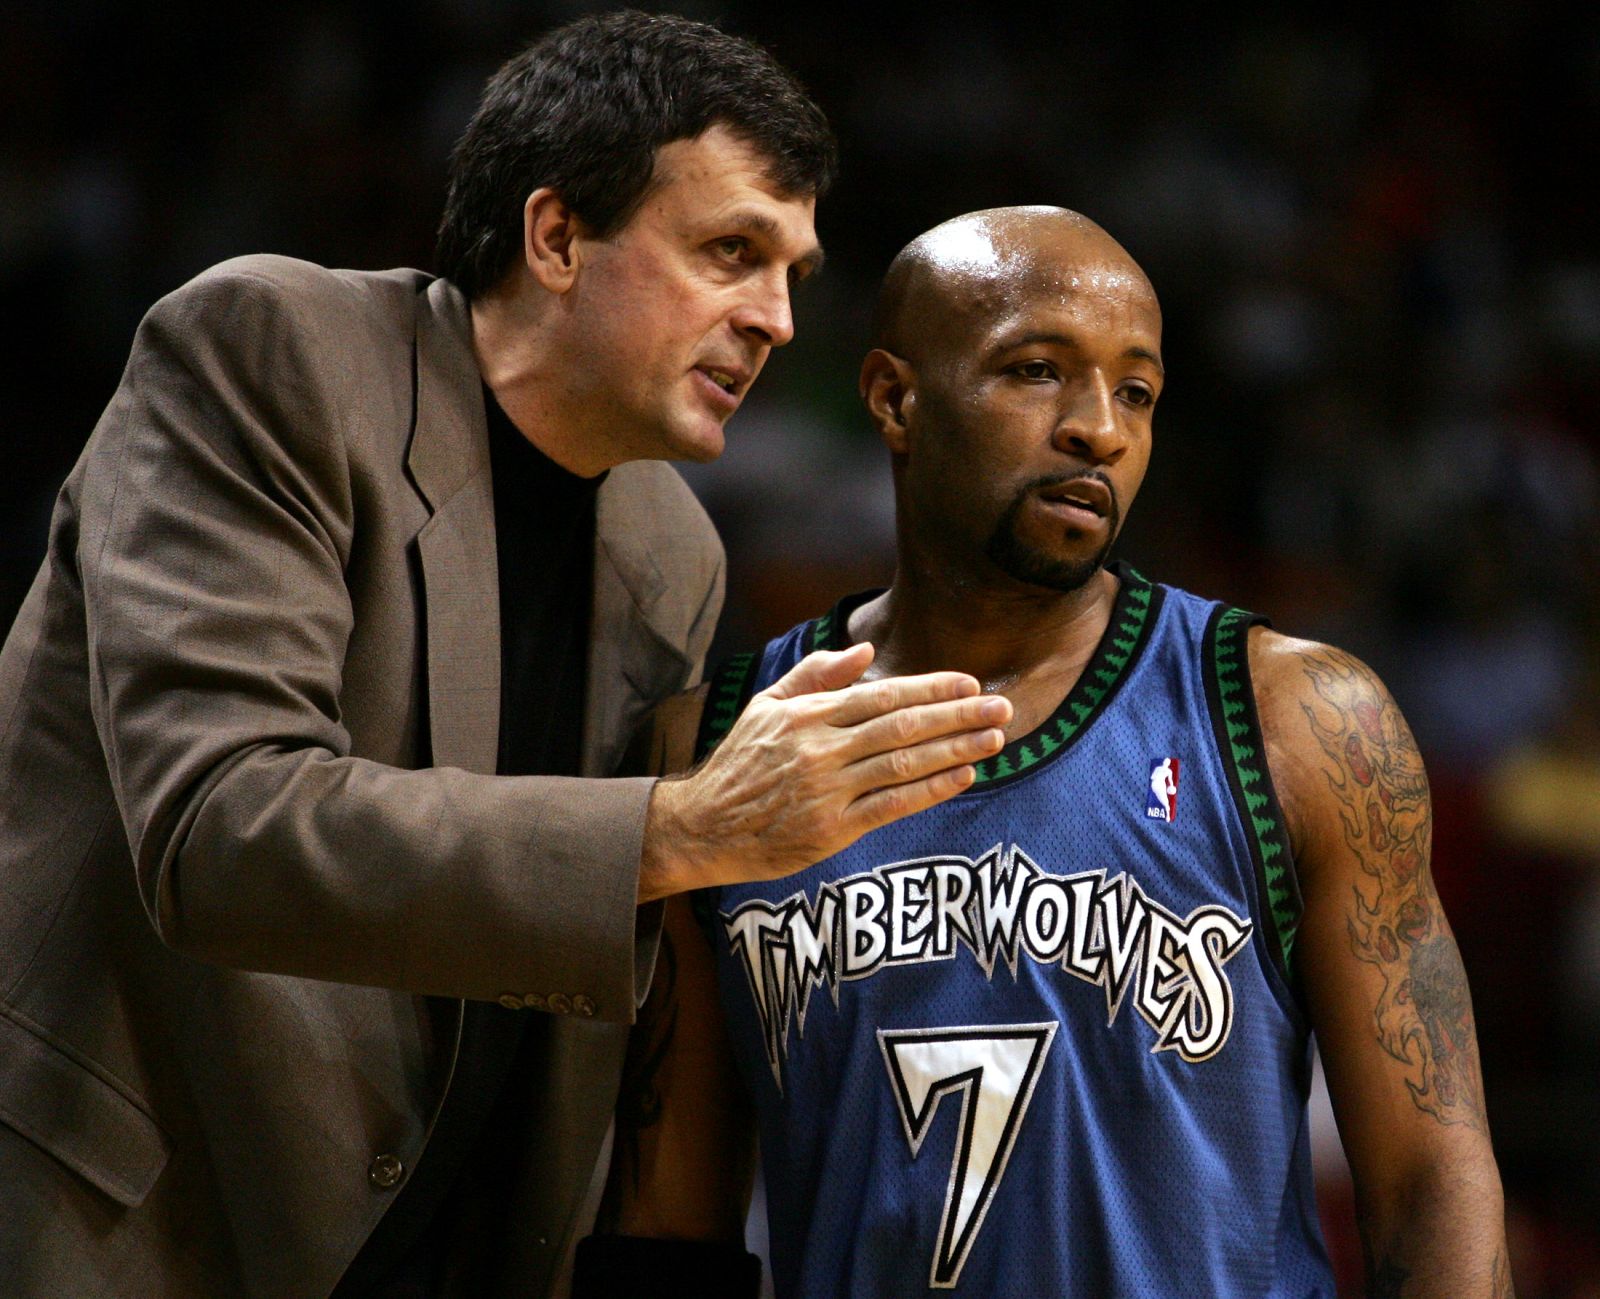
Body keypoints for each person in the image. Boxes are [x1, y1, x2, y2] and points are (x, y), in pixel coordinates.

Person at [0, 14, 1014, 1298]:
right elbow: (218, 825)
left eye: (793, 275)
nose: (775, 321)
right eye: (730, 253)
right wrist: (683, 827)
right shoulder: (270, 351)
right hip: (133, 1231)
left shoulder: (673, 549)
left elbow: (565, 980)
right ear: (556, 238)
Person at [600, 207, 1514, 1298]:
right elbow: (668, 1220)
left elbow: (1430, 1180)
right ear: (894, 397)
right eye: (1036, 371)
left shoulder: (1297, 717)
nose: (1099, 429)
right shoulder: (723, 739)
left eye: (1135, 390)